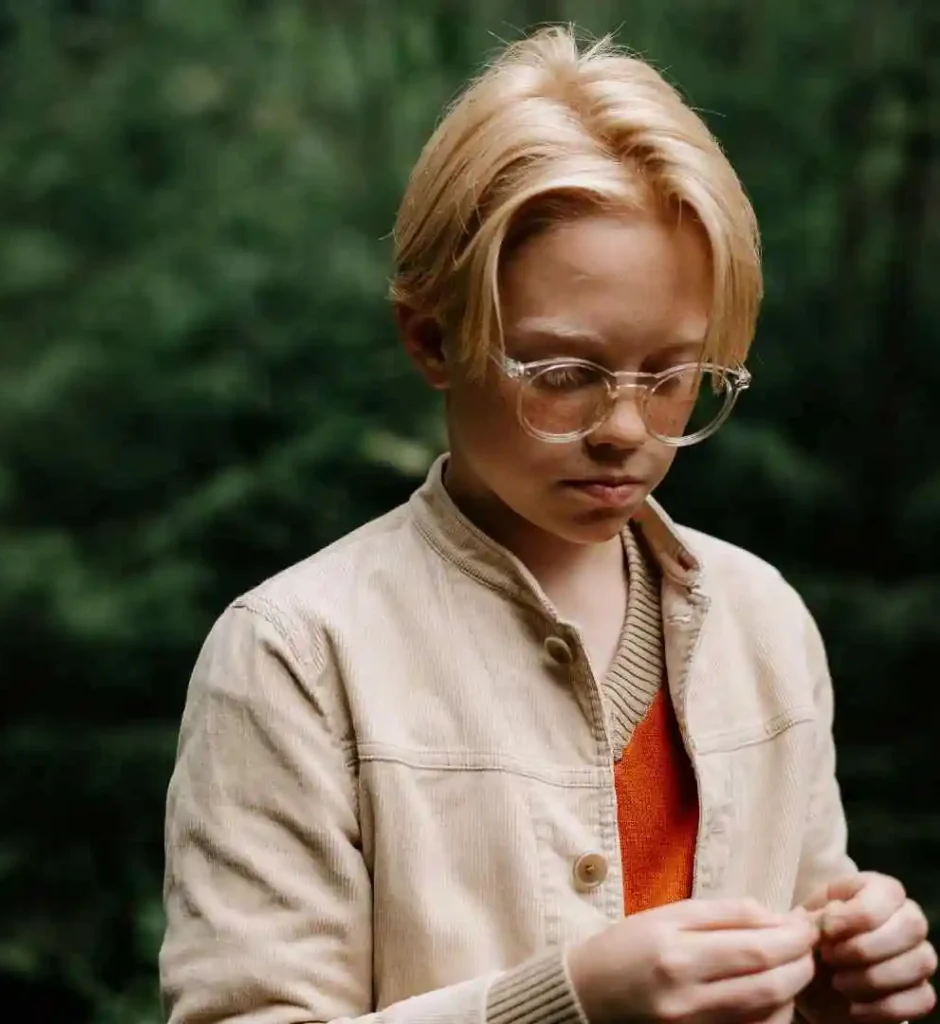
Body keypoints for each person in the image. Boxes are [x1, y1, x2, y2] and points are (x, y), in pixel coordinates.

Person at [159, 25, 937, 1024]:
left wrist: (848, 987)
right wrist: (562, 1002)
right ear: (432, 336)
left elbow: (805, 939)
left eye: (672, 377)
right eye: (563, 373)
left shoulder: (764, 621)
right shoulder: (295, 655)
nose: (623, 428)